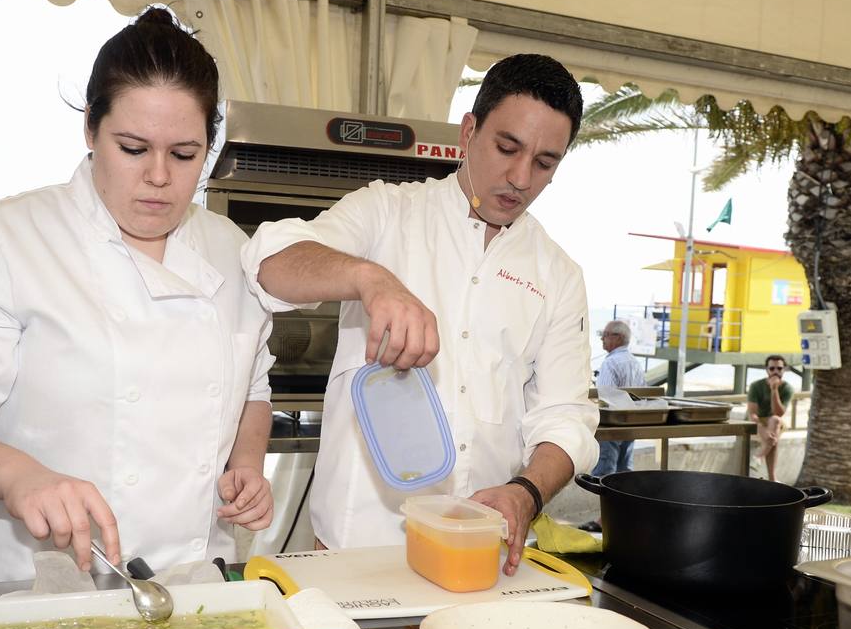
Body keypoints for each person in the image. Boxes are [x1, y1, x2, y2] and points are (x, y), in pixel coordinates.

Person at [0, 7, 275, 584]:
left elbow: (253, 385)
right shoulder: (5, 240)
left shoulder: (228, 248)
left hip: (197, 585)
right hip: (47, 588)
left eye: (185, 154)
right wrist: (19, 475)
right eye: (133, 148)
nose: (160, 176)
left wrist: (246, 465)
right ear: (90, 128)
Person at [241, 53, 598, 576]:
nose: (520, 177)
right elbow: (271, 261)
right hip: (354, 549)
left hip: (475, 555)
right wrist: (370, 278)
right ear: (469, 130)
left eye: (544, 163)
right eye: (507, 147)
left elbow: (566, 417)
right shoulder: (388, 212)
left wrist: (526, 492)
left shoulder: (559, 275)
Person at [592, 320, 644, 476]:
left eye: (606, 335)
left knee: (604, 472)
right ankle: (623, 500)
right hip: (631, 423)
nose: (602, 339)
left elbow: (604, 397)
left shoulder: (610, 363)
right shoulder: (635, 362)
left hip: (612, 425)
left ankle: (604, 501)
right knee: (625, 472)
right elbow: (643, 394)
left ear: (618, 337)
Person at [746, 354, 794, 482]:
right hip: (757, 422)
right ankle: (772, 478)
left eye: (779, 368)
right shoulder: (756, 386)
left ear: (784, 369)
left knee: (775, 421)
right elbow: (752, 414)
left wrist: (774, 390)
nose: (776, 372)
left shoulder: (787, 388)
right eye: (772, 368)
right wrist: (764, 430)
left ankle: (759, 456)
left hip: (774, 422)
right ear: (767, 370)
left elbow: (778, 413)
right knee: (773, 438)